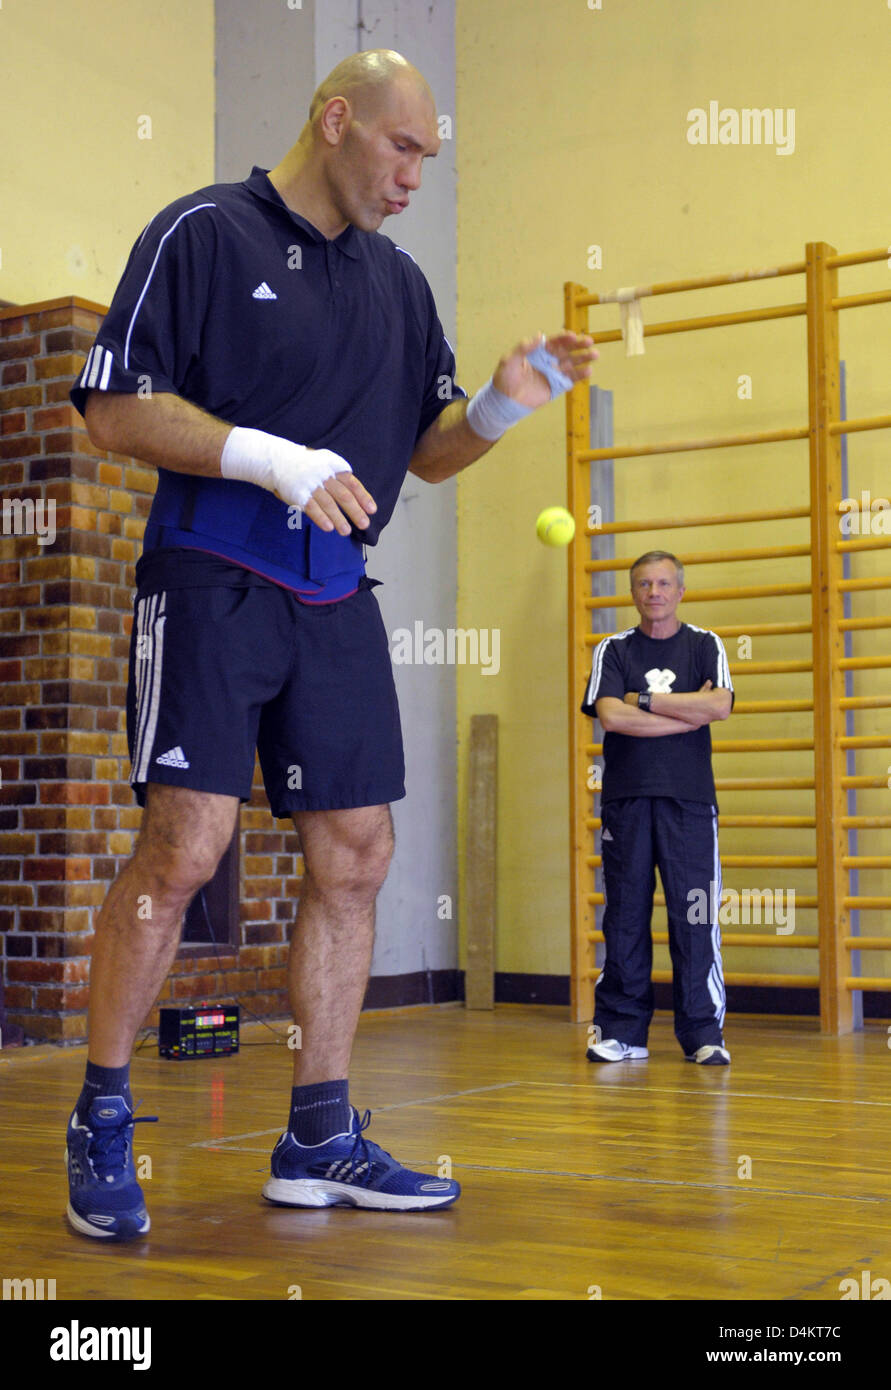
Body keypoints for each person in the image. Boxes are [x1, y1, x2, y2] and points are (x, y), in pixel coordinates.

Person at [65, 49, 596, 1239]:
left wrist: (506, 403)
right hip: (208, 576)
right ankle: (101, 1112)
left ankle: (318, 1134)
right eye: (405, 149)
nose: (416, 176)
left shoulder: (401, 287)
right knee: (186, 847)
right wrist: (272, 456)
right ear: (338, 118)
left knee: (357, 853)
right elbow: (112, 409)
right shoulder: (201, 232)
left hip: (335, 595)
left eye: (431, 161)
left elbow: (424, 451)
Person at [580, 550, 734, 1065]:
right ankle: (621, 1031)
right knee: (624, 914)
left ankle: (702, 1033)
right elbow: (612, 718)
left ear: (680, 591)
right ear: (633, 592)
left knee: (694, 915)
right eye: (644, 584)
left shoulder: (706, 644)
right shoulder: (613, 649)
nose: (654, 593)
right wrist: (685, 713)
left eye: (664, 583)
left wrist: (644, 702)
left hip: (689, 803)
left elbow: (719, 706)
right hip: (626, 801)